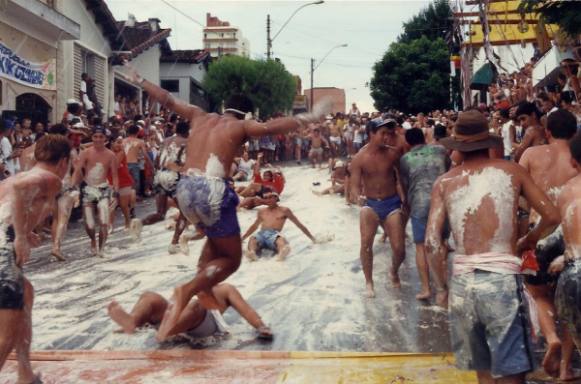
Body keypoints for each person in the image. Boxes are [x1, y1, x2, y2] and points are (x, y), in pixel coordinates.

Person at [119, 61, 329, 341]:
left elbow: (167, 99)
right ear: (247, 113)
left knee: (212, 253)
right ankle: (187, 290)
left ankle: (184, 295)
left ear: (223, 105)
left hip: (185, 189)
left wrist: (140, 79)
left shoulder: (198, 115)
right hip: (212, 190)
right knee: (231, 259)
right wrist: (309, 117)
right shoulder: (241, 125)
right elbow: (270, 128)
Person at [425, 110, 560, 384]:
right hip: (501, 282)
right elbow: (552, 216)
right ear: (487, 142)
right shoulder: (511, 171)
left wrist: (441, 288)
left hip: (463, 284)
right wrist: (528, 240)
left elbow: (431, 243)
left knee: (483, 373)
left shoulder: (445, 182)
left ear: (459, 145)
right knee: (511, 374)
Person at [0, 135, 71, 384]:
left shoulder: (12, 179)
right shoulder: (50, 179)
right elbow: (21, 192)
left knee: (26, 295)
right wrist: (19, 236)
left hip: (3, 244)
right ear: (64, 161)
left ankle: (25, 373)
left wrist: (23, 229)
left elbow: (10, 203)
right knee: (5, 335)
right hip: (2, 250)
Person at [518, 109, 579, 379]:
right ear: (574, 133)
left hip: (537, 232)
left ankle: (551, 336)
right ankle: (566, 367)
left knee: (537, 292)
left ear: (548, 131)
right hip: (570, 235)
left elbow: (517, 195)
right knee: (568, 302)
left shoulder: (531, 155)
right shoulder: (575, 159)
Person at [349, 118, 406, 298]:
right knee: (366, 245)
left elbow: (401, 179)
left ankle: (394, 270)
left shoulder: (393, 154)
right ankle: (369, 282)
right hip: (371, 205)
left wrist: (405, 198)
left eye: (389, 133)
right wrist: (357, 197)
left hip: (392, 203)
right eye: (383, 133)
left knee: (399, 248)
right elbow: (354, 185)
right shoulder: (359, 158)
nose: (387, 137)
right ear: (371, 134)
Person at [107, 283, 273, 341]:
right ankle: (132, 321)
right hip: (174, 321)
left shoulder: (225, 289)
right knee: (150, 297)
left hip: (205, 326)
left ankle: (168, 330)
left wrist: (260, 326)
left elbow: (246, 310)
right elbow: (172, 303)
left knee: (195, 304)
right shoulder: (193, 284)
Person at [399, 128, 449, 300]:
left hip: (419, 203)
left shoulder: (405, 159)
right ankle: (443, 286)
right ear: (424, 137)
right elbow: (448, 172)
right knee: (441, 242)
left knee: (421, 246)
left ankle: (426, 288)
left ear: (408, 142)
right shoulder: (441, 150)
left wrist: (406, 203)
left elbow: (405, 184)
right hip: (442, 201)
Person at [555, 133, 581, 381]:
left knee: (573, 328)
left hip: (572, 274)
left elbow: (559, 235)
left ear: (573, 162)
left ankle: (565, 368)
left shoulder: (566, 191)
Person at [72, 128, 119, 256]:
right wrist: (73, 187)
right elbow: (77, 171)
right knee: (90, 224)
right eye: (95, 136)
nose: (98, 139)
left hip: (103, 189)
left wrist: (115, 192)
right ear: (92, 138)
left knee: (104, 221)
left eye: (101, 137)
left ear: (105, 139)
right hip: (88, 189)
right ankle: (93, 240)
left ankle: (102, 248)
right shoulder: (86, 153)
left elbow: (114, 175)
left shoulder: (110, 155)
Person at [242, 192, 316, 261]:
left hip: (274, 234)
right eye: (266, 198)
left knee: (280, 240)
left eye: (270, 197)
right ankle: (252, 253)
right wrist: (243, 238)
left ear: (276, 198)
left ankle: (282, 253)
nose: (268, 200)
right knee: (252, 239)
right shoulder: (261, 211)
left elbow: (298, 224)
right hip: (261, 234)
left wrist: (312, 238)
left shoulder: (284, 210)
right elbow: (254, 226)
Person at [49, 124, 80, 261]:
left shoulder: (46, 149)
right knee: (63, 218)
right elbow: (77, 169)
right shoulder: (69, 150)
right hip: (65, 184)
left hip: (49, 184)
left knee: (55, 218)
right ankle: (56, 247)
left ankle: (54, 246)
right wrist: (74, 185)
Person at [123, 124, 152, 196]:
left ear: (128, 132)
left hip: (124, 164)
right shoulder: (140, 142)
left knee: (125, 182)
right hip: (134, 163)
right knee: (135, 182)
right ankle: (133, 198)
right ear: (137, 132)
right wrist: (151, 163)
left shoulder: (123, 141)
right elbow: (145, 154)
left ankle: (127, 198)